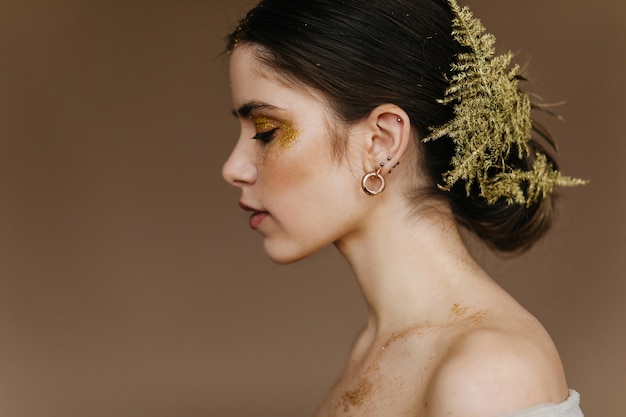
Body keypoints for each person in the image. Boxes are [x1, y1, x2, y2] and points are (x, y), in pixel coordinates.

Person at [222, 0, 586, 416]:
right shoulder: (373, 347)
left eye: (266, 132)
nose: (233, 168)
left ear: (381, 142)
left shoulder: (490, 372)